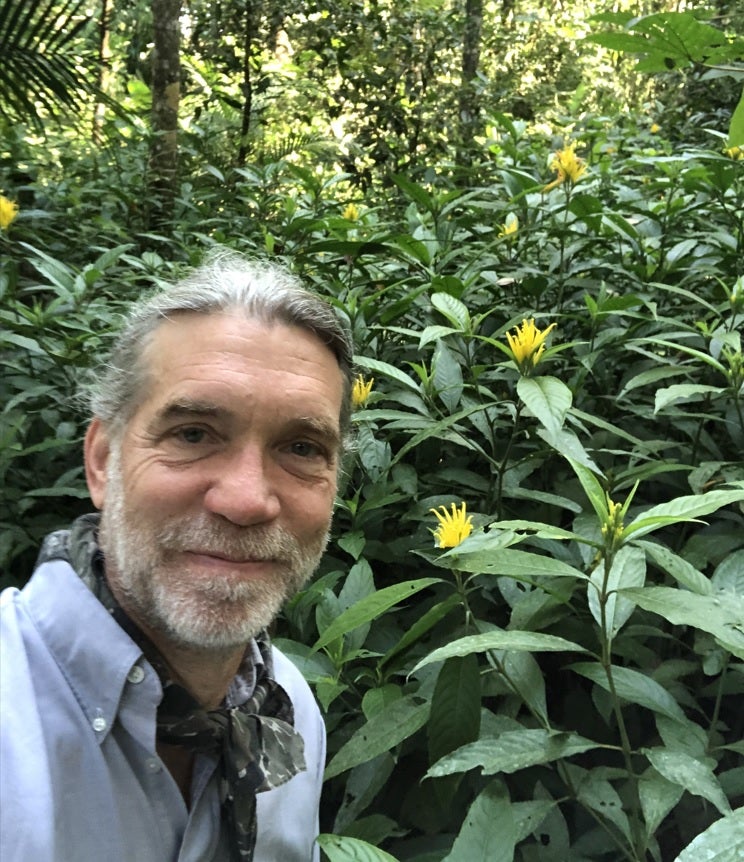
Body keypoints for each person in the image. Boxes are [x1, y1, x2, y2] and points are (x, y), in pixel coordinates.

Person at [0, 253, 354, 862]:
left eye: (301, 447)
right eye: (192, 433)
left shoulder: (291, 708)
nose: (246, 500)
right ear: (103, 461)